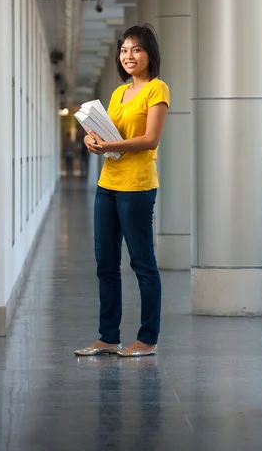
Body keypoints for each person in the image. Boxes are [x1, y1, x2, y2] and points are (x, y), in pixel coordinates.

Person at [74, 24, 169, 358]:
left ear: (149, 54)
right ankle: (108, 337)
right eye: (124, 50)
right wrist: (91, 139)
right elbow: (104, 132)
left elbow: (150, 140)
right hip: (107, 185)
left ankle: (147, 338)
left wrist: (110, 144)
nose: (129, 56)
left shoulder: (157, 90)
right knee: (106, 263)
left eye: (137, 49)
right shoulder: (117, 93)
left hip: (137, 187)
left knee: (142, 263)